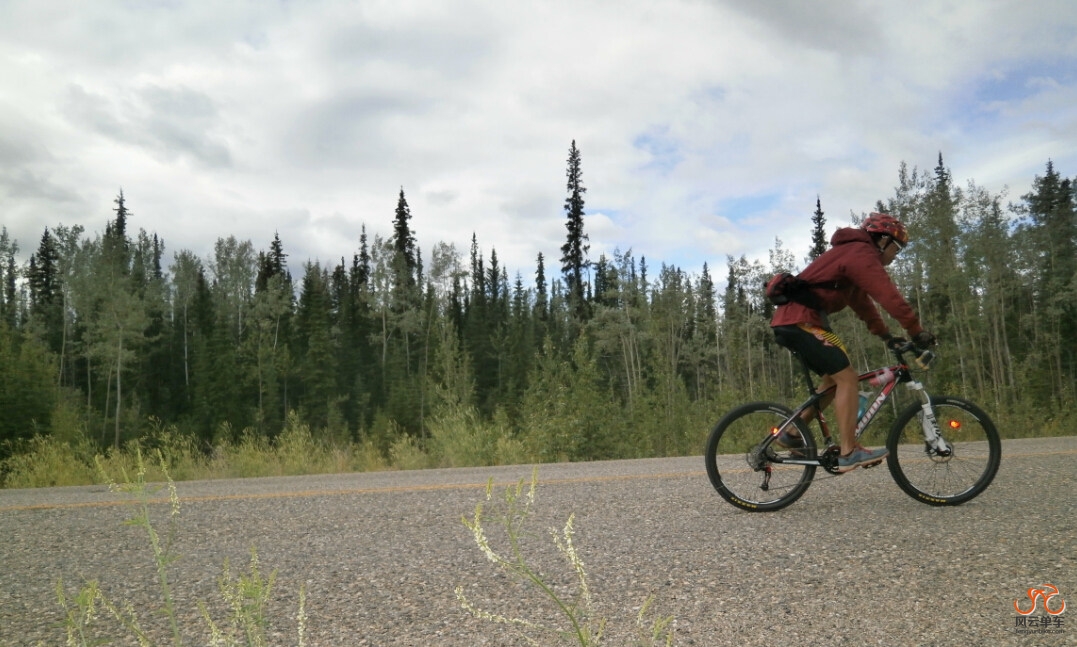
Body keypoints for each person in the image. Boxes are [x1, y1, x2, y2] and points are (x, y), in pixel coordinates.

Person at [770, 212, 935, 473]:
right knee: (847, 378)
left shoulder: (852, 256)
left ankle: (791, 433)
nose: (896, 255)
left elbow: (863, 303)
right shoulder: (861, 253)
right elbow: (888, 296)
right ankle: (849, 451)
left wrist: (886, 335)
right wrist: (916, 330)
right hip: (801, 321)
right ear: (882, 241)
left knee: (833, 381)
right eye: (897, 247)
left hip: (798, 321)